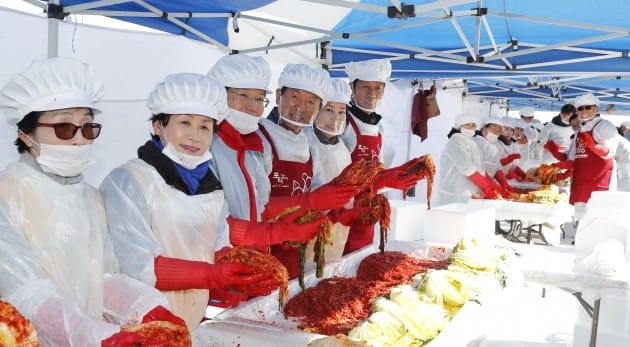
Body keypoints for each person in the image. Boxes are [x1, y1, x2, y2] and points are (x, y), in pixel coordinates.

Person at [0, 57, 184, 346]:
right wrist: (93, 335)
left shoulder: (91, 198)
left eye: (87, 128)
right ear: (25, 134)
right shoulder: (6, 195)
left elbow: (104, 276)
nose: (78, 140)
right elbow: (24, 293)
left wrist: (146, 307)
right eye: (63, 127)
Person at [99, 73, 282, 340]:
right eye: (184, 122)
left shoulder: (209, 185)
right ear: (158, 126)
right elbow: (137, 267)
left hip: (191, 322)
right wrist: (212, 276)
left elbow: (219, 245)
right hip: (137, 327)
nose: (195, 136)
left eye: (205, 126)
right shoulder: (128, 180)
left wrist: (249, 268)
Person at [258, 63, 358, 278]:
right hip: (262, 250)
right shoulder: (259, 138)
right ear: (278, 95)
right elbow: (254, 206)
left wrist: (343, 211)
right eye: (295, 97)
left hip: (296, 250)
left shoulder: (308, 144)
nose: (301, 108)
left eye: (311, 102)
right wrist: (308, 202)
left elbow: (318, 188)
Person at [341, 59, 419, 254]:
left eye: (378, 87)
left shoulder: (379, 127)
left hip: (369, 209)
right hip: (344, 211)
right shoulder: (342, 122)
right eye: (365, 87)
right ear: (352, 87)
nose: (372, 93)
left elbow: (379, 167)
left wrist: (396, 177)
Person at [304, 78, 374, 267]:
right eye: (328, 110)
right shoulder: (307, 142)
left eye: (341, 112)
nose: (335, 119)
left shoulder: (343, 146)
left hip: (340, 228)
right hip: (310, 230)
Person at [551, 93, 618, 221]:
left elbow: (609, 152)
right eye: (580, 108)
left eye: (588, 107)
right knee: (579, 217)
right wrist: (557, 161)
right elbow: (573, 158)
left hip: (599, 181)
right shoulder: (580, 131)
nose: (583, 111)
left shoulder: (605, 126)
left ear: (596, 108)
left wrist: (594, 146)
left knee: (597, 218)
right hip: (581, 181)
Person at [438, 113, 501, 205]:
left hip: (468, 193)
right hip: (454, 193)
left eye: (473, 125)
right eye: (467, 125)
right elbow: (468, 169)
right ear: (459, 126)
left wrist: (492, 186)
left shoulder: (472, 142)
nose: (471, 128)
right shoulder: (456, 141)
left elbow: (480, 170)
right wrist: (486, 188)